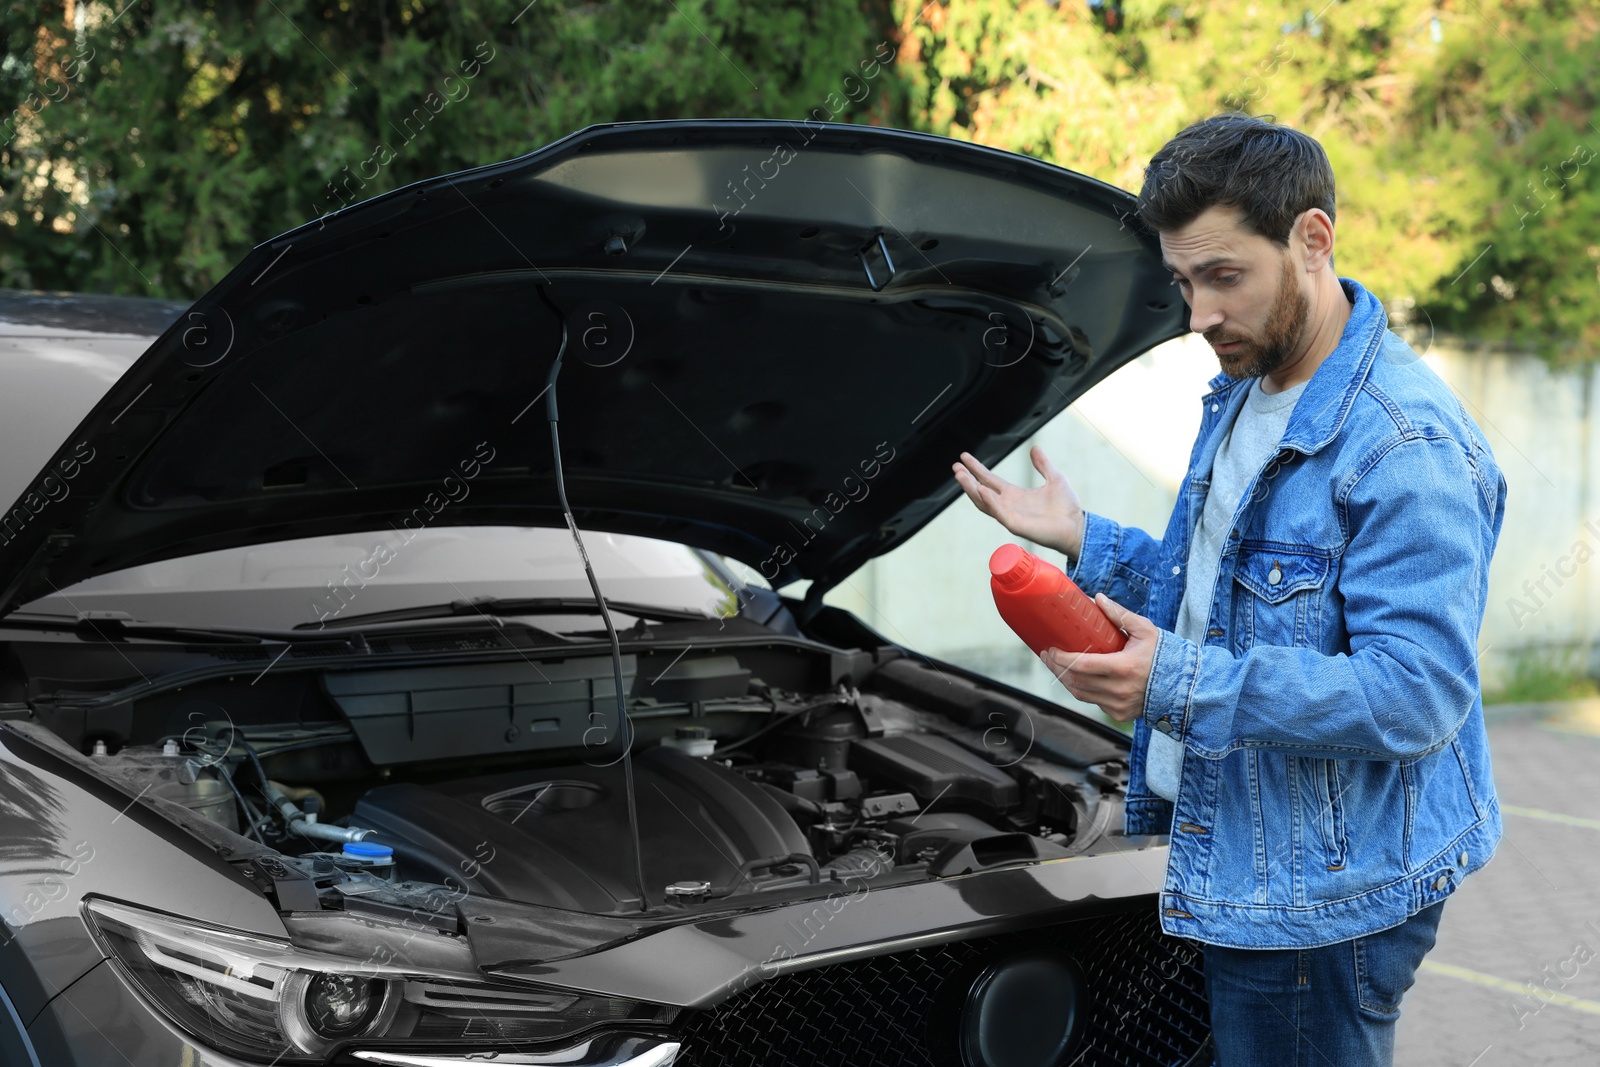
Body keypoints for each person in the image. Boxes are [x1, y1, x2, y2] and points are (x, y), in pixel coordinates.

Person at [952, 113, 1506, 1066]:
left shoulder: (1403, 447)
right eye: (1181, 281)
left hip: (1318, 904)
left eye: (1222, 276)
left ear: (1312, 240)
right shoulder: (1251, 387)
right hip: (1226, 847)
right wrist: (1085, 538)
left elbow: (1415, 695)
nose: (1197, 314)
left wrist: (1177, 686)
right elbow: (1218, 592)